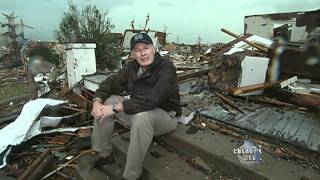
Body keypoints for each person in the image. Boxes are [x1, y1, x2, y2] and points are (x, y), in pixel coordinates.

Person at [90, 32, 181, 180]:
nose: (142, 53)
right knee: (107, 102)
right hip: (138, 110)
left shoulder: (166, 68)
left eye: (146, 47)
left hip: (165, 116)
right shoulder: (132, 68)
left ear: (154, 49)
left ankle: (131, 176)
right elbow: (111, 82)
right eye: (137, 50)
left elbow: (154, 98)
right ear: (133, 54)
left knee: (141, 117)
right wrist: (97, 102)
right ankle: (104, 153)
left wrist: (114, 108)